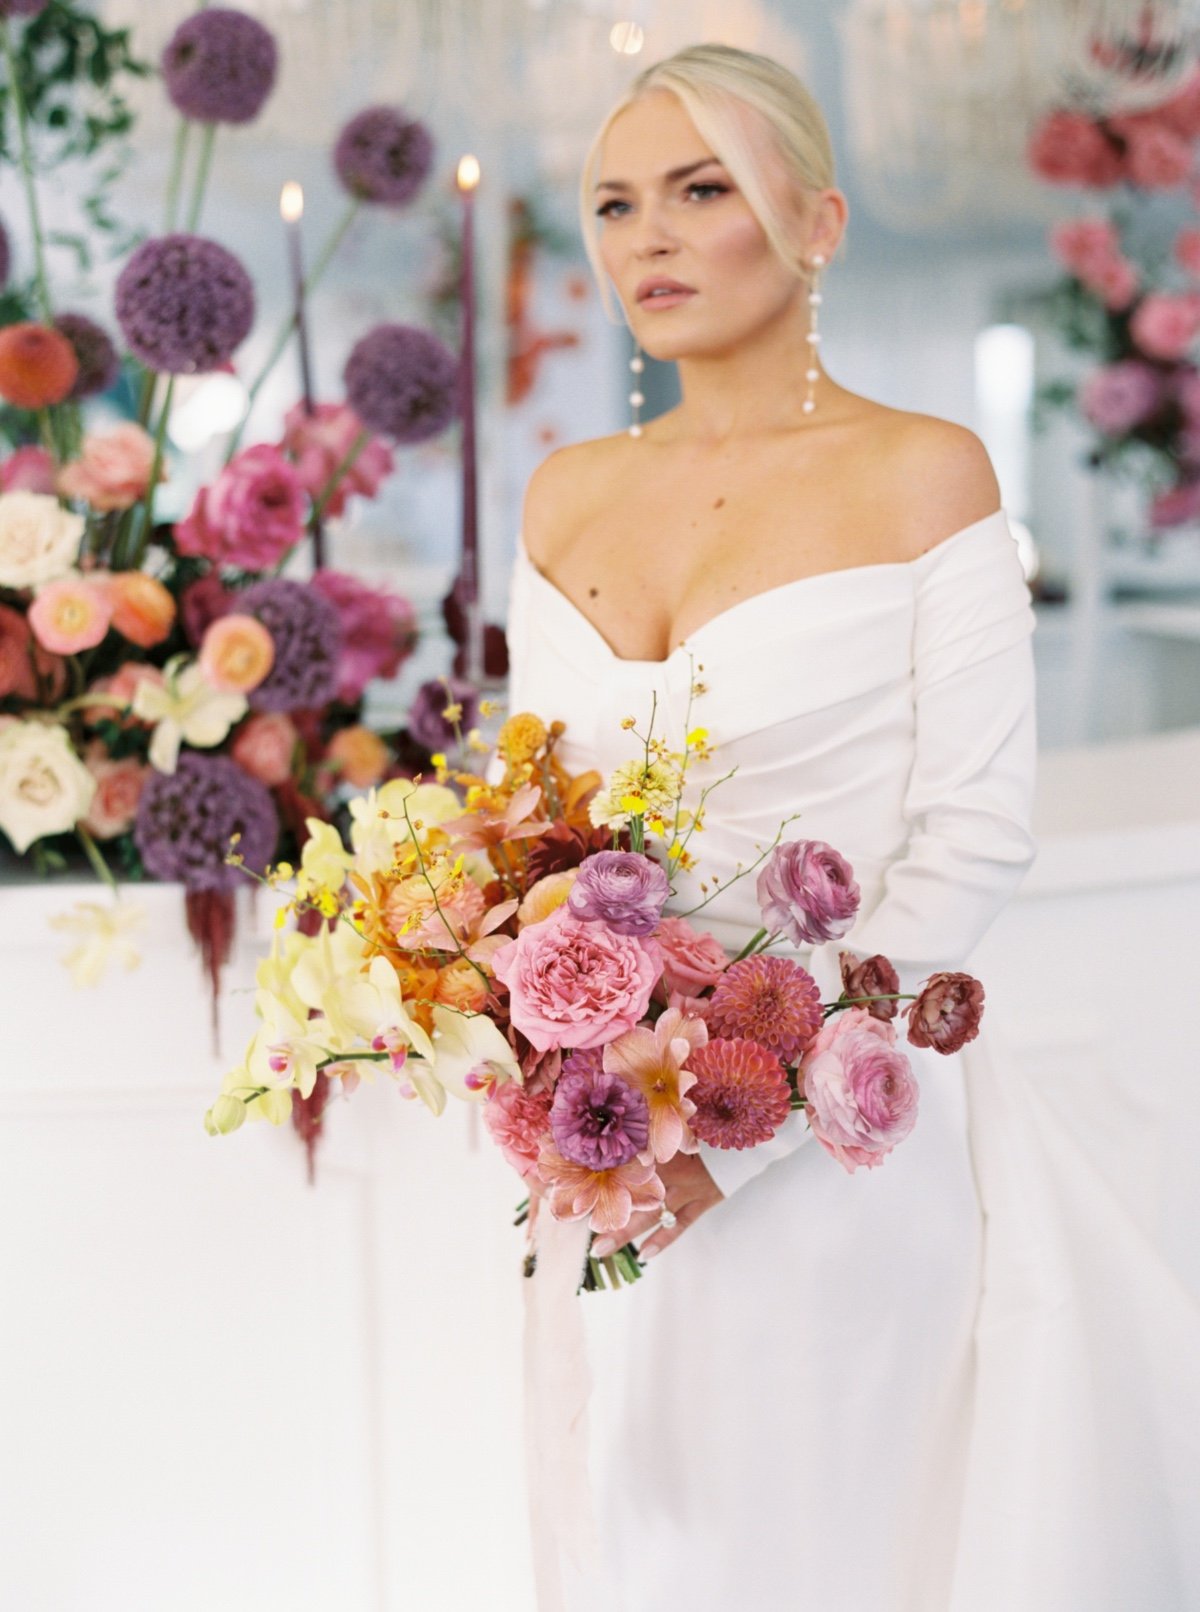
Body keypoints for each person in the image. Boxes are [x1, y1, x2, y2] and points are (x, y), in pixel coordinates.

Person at [504, 42, 1200, 1612]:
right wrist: (527, 1045)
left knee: (834, 1540)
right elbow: (528, 826)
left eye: (701, 191)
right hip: (604, 1145)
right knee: (626, 1528)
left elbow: (970, 843)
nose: (650, 239)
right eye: (617, 204)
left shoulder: (921, 473)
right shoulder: (561, 492)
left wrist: (735, 1139)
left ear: (816, 223)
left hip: (843, 1154)